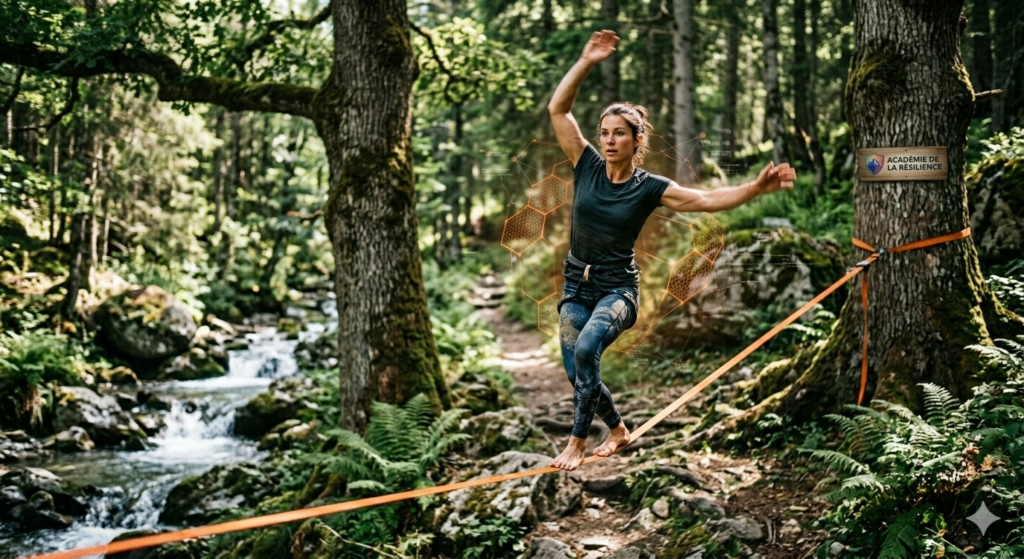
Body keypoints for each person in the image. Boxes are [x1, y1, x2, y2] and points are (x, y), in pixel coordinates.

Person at [547, 30, 797, 471]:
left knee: (587, 351)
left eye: (618, 134)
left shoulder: (651, 189)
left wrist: (755, 189)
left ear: (635, 140)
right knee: (577, 372)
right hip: (575, 285)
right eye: (604, 132)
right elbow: (558, 109)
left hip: (617, 292)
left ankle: (577, 442)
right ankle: (620, 430)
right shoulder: (585, 164)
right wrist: (586, 60)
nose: (607, 140)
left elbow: (705, 200)